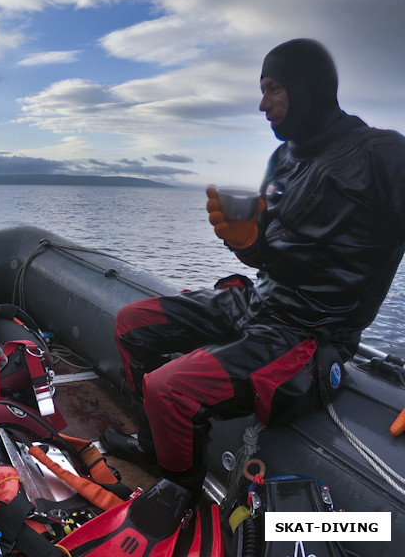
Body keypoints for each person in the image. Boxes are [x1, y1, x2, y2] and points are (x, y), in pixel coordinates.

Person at [99, 38, 405, 503]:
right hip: (259, 303)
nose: (263, 105)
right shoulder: (283, 158)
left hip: (311, 333)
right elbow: (272, 253)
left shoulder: (381, 155)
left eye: (273, 89)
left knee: (167, 389)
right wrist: (248, 242)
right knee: (131, 324)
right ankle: (152, 446)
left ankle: (178, 493)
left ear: (310, 88)